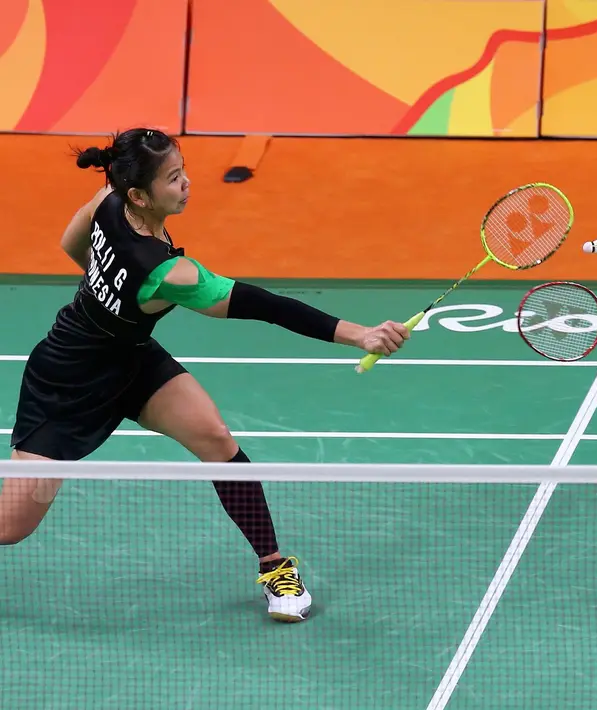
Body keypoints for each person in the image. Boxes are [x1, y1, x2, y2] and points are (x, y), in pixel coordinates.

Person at [3, 127, 410, 621]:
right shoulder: (168, 274)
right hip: (67, 382)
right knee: (12, 526)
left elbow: (73, 237)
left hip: (130, 360)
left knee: (216, 439)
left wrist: (104, 290)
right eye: (173, 179)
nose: (187, 184)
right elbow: (265, 306)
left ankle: (274, 566)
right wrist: (361, 334)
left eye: (182, 171)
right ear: (139, 194)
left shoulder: (112, 195)